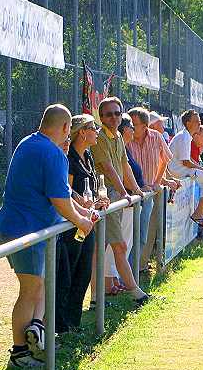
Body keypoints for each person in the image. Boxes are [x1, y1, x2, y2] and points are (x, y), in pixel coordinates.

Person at [0, 104, 94, 368]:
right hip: (26, 230)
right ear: (64, 128)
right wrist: (82, 220)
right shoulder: (53, 153)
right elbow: (59, 198)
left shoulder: (29, 142)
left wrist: (81, 211)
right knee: (31, 289)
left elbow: (61, 194)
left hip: (18, 225)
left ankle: (36, 331)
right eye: (69, 131)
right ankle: (19, 354)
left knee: (40, 284)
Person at [90, 97, 148, 307]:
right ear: (101, 117)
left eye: (117, 113)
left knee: (100, 248)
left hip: (114, 197)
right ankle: (136, 292)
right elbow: (107, 167)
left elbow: (125, 166)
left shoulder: (117, 137)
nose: (113, 117)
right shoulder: (99, 138)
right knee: (119, 246)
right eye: (108, 114)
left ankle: (96, 298)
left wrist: (136, 189)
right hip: (106, 197)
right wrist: (125, 192)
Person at [55, 115, 110, 335]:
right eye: (93, 127)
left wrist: (99, 199)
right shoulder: (69, 157)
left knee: (84, 272)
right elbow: (67, 190)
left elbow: (90, 188)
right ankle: (61, 325)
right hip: (72, 224)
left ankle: (73, 323)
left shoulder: (87, 154)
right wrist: (83, 202)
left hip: (88, 222)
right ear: (82, 132)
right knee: (68, 274)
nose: (97, 130)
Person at [127, 107, 174, 272]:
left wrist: (157, 181)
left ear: (145, 126)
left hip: (147, 195)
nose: (131, 128)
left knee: (141, 234)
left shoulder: (157, 137)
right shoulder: (125, 140)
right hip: (128, 195)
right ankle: (122, 274)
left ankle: (133, 271)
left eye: (134, 124)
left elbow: (165, 158)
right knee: (126, 236)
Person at [168, 110, 203, 227]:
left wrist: (202, 169)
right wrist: (201, 169)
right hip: (178, 170)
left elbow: (188, 160)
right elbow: (186, 162)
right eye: (196, 121)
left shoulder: (186, 136)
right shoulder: (184, 137)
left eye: (199, 121)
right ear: (188, 123)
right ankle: (199, 212)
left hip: (182, 169)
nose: (199, 123)